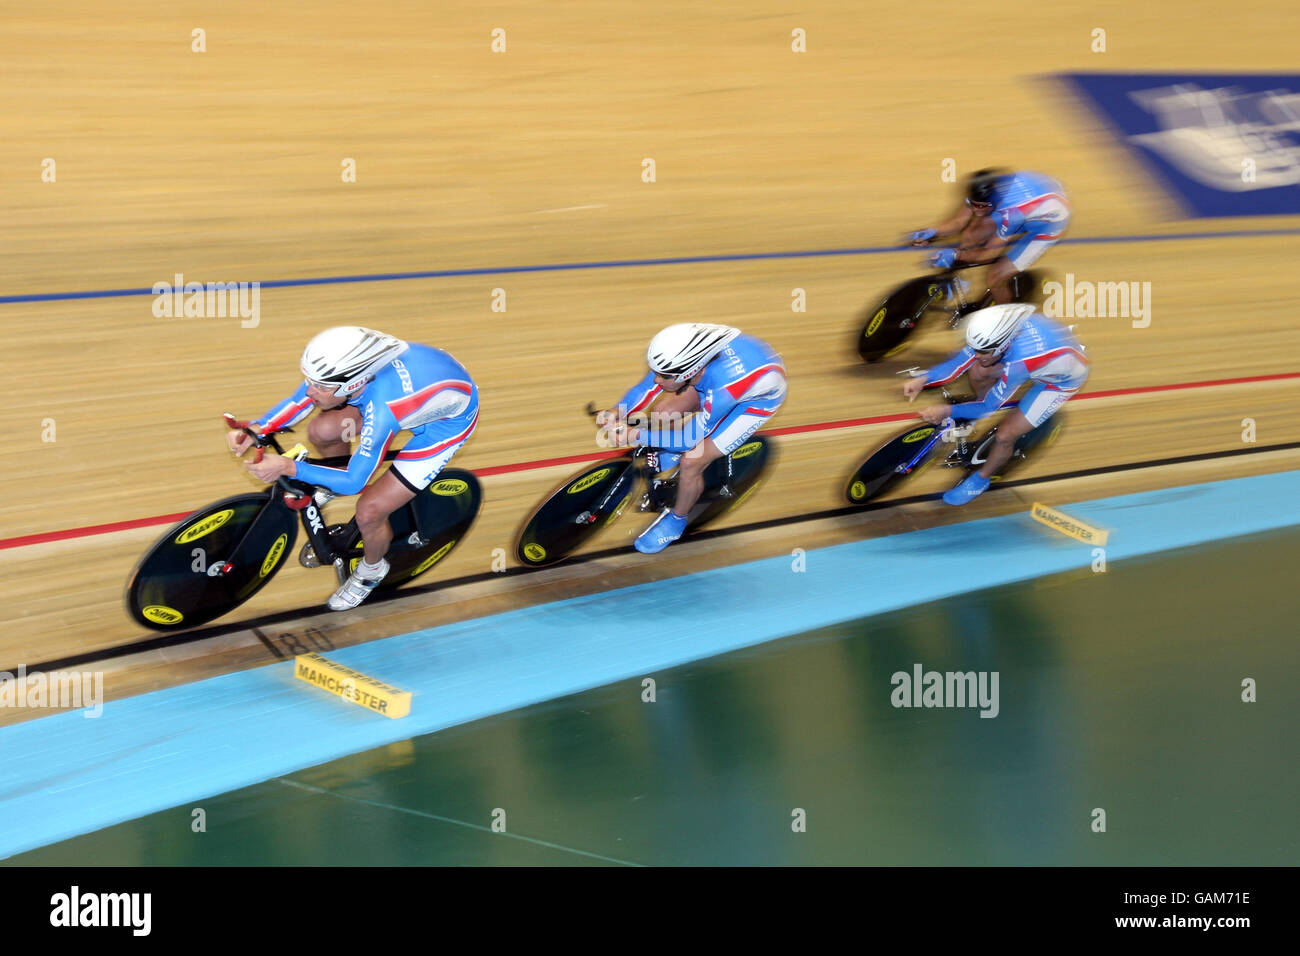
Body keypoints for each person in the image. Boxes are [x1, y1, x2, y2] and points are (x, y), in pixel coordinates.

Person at [227, 326, 479, 610]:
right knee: (323, 431)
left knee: (369, 511)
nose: (311, 390)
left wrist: (287, 466)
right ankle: (328, 480)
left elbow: (354, 482)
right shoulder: (347, 372)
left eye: (320, 386)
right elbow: (301, 400)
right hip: (413, 393)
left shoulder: (384, 411)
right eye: (310, 380)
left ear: (351, 385)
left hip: (443, 426)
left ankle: (372, 571)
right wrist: (257, 430)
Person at [601, 323, 786, 554]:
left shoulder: (722, 391)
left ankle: (677, 520)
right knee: (664, 413)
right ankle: (671, 452)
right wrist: (619, 411)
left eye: (664, 375)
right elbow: (646, 388)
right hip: (726, 378)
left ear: (688, 372)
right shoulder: (685, 355)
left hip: (755, 400)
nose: (657, 379)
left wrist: (636, 434)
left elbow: (690, 440)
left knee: (692, 460)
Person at [902, 303, 1088, 505]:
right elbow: (960, 362)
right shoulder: (995, 332)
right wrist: (924, 379)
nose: (977, 354)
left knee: (1005, 435)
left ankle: (981, 480)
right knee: (979, 369)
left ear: (1001, 346)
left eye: (983, 351)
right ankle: (972, 413)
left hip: (1059, 381)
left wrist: (949, 410)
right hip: (1043, 355)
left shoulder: (1019, 363)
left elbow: (988, 405)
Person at [909, 167, 1070, 306]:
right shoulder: (982, 192)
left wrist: (957, 254)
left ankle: (1005, 328)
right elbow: (959, 222)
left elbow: (988, 254)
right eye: (972, 203)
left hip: (1048, 224)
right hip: (1037, 197)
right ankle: (956, 281)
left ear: (994, 203)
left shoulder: (1010, 214)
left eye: (980, 206)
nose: (975, 210)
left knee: (996, 276)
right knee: (973, 231)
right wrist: (933, 232)